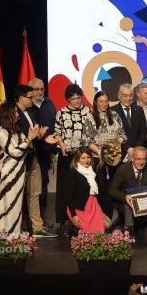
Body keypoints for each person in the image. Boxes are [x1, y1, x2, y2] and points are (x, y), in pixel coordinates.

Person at [14, 84, 57, 237]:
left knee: (34, 193)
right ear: (21, 98)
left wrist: (44, 136)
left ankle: (37, 227)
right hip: (19, 161)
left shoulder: (30, 113)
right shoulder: (12, 113)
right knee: (17, 194)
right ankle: (15, 227)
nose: (32, 99)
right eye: (30, 97)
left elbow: (33, 135)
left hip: (34, 158)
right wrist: (33, 136)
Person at [0, 101, 40, 234]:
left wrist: (35, 135)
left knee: (16, 205)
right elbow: (14, 152)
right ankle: (3, 234)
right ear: (8, 114)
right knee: (6, 204)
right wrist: (29, 139)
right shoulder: (1, 132)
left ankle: (14, 234)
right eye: (15, 112)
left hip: (18, 171)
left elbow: (26, 147)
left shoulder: (16, 130)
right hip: (8, 173)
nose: (18, 114)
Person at [54, 84, 95, 233]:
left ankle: (81, 218)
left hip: (82, 156)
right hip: (66, 155)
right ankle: (62, 219)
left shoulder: (87, 111)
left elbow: (91, 133)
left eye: (78, 98)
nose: (76, 101)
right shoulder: (61, 113)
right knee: (65, 188)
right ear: (67, 99)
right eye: (73, 99)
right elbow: (57, 132)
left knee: (81, 187)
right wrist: (62, 145)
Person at [90, 90, 127, 216]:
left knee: (112, 189)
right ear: (96, 102)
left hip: (114, 158)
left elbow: (122, 134)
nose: (104, 104)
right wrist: (99, 151)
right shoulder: (90, 117)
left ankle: (109, 219)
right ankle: (100, 220)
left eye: (106, 101)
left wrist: (116, 143)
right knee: (100, 189)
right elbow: (86, 140)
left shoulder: (115, 115)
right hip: (98, 159)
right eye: (101, 101)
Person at [108, 147, 147, 236]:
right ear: (132, 159)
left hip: (141, 198)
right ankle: (129, 229)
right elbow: (112, 190)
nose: (142, 162)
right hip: (125, 200)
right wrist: (125, 197)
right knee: (128, 206)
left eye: (144, 159)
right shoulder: (123, 169)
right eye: (138, 159)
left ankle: (141, 220)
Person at [28, 78, 57, 223]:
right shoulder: (26, 106)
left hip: (46, 152)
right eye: (36, 89)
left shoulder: (49, 104)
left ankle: (42, 216)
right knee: (31, 188)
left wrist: (52, 150)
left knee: (44, 185)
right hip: (31, 153)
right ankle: (29, 218)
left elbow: (53, 126)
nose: (40, 92)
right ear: (30, 91)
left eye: (42, 89)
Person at [62, 147, 107, 234]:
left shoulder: (92, 172)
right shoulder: (72, 173)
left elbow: (96, 193)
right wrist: (74, 215)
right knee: (88, 232)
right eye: (83, 158)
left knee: (103, 228)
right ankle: (70, 224)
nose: (86, 160)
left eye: (88, 157)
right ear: (77, 159)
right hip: (79, 207)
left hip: (92, 204)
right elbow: (68, 197)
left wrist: (99, 207)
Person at [111, 83, 147, 161]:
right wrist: (127, 149)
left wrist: (135, 150)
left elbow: (143, 131)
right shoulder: (112, 111)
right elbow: (113, 135)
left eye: (130, 95)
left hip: (137, 155)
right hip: (119, 154)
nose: (128, 99)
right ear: (119, 96)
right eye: (125, 96)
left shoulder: (139, 109)